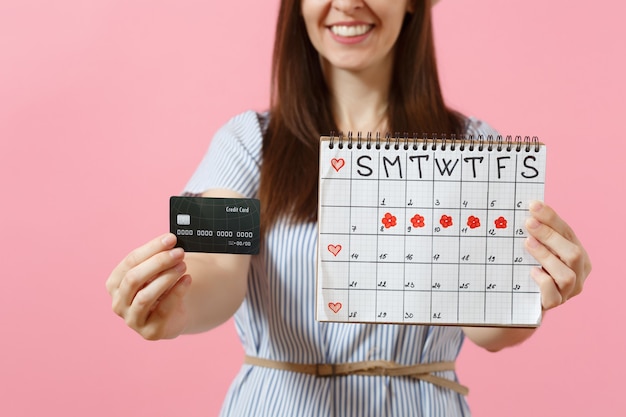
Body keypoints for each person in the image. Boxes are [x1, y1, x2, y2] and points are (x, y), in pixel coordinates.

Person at [106, 0, 591, 415]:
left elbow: (493, 333)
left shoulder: (475, 148)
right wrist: (177, 304)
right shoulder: (247, 144)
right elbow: (215, 264)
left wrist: (534, 290)